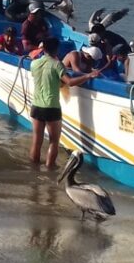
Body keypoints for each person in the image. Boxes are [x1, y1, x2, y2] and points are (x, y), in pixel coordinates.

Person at [29, 37, 100, 168]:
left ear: (43, 49)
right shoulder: (57, 64)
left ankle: (34, 168)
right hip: (52, 107)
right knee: (53, 142)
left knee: (36, 141)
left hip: (36, 106)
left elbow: (45, 79)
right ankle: (50, 169)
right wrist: (88, 76)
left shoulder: (34, 64)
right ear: (56, 49)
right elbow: (70, 82)